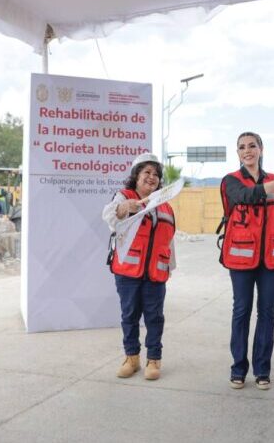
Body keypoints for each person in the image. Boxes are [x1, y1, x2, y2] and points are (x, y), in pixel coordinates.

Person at [218, 131, 274, 390]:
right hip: (241, 260)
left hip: (272, 259)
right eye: (242, 147)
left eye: (252, 146)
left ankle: (262, 370)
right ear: (238, 153)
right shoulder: (230, 181)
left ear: (261, 149)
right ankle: (238, 369)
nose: (247, 151)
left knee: (267, 313)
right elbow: (247, 196)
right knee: (241, 312)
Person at [102, 153, 176, 381]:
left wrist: (169, 268)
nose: (151, 177)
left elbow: (169, 240)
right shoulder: (124, 197)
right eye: (147, 172)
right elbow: (109, 217)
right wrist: (124, 208)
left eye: (155, 174)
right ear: (136, 176)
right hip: (128, 271)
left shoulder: (164, 206)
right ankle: (131, 358)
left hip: (156, 273)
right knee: (130, 315)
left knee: (154, 317)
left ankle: (153, 360)